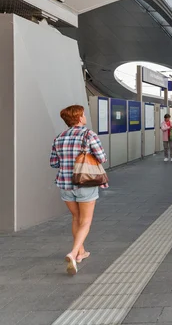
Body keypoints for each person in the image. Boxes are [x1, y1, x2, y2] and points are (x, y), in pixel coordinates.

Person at [50, 105, 107, 275]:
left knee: (76, 217)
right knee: (86, 220)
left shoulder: (59, 137)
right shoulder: (89, 135)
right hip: (85, 183)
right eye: (83, 114)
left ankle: (81, 252)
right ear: (80, 117)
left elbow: (54, 163)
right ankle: (74, 253)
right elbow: (102, 158)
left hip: (65, 184)